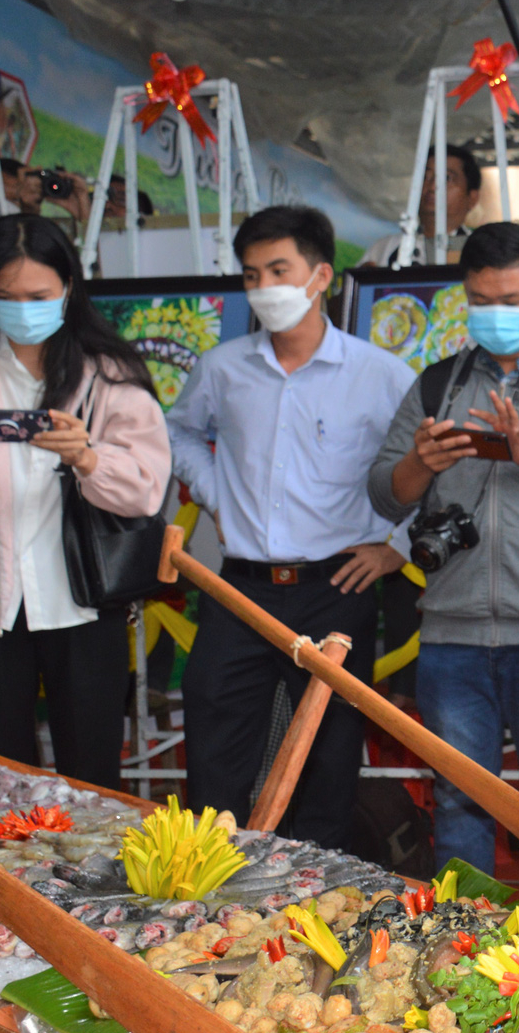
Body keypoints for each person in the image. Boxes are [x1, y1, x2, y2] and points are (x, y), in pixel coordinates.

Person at [369, 222, 519, 904]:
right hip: (452, 632)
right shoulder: (437, 386)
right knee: (459, 802)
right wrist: (424, 460)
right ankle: (465, 939)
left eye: (511, 298)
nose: (496, 313)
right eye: (481, 300)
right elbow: (385, 493)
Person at [167, 206, 414, 847]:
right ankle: (209, 882)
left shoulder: (380, 374)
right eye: (251, 275)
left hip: (339, 585)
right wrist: (216, 492)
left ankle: (317, 894)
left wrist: (397, 546)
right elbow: (180, 432)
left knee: (328, 752)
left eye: (279, 269)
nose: (263, 287)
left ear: (320, 276)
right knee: (216, 728)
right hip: (240, 586)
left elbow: (424, 466)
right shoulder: (223, 368)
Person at [0, 214, 170, 787]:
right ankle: (0, 878)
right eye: (6, 296)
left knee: (92, 773)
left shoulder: (109, 375)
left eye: (39, 296)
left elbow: (147, 486)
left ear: (68, 289)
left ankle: (92, 877)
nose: (24, 309)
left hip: (83, 601)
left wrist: (88, 456)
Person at [364, 145, 484, 269]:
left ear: (472, 198)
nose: (432, 187)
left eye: (447, 178)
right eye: (425, 177)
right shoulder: (385, 248)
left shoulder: (481, 250)